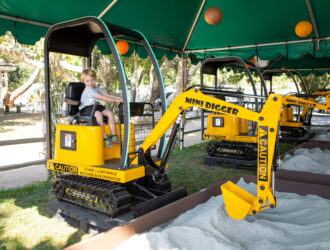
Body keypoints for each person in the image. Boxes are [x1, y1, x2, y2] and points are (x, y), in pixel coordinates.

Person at [79, 68, 123, 147]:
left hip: (95, 106)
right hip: (86, 108)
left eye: (92, 80)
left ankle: (113, 135)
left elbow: (106, 95)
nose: (90, 83)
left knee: (110, 113)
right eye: (87, 81)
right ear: (84, 81)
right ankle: (104, 138)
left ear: (95, 79)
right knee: (98, 114)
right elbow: (102, 97)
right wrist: (115, 101)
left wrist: (119, 99)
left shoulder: (96, 88)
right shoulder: (88, 90)